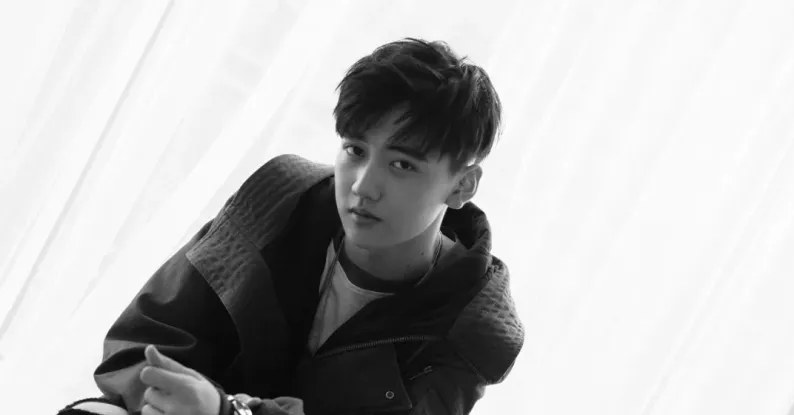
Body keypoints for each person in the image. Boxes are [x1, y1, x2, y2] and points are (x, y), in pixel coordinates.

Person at [58, 37, 524, 415]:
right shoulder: (279, 200)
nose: (363, 186)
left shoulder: (472, 326)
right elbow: (141, 346)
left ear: (462, 185)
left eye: (402, 165)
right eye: (355, 150)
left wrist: (226, 413)